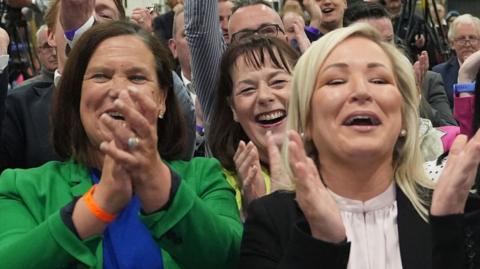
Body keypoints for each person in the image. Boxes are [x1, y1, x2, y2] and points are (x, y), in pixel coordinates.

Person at [0, 20, 242, 269]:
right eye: (101, 76)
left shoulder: (204, 178)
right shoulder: (21, 189)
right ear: (77, 97)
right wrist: (97, 207)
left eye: (137, 78)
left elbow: (235, 259)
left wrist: (157, 184)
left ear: (161, 100)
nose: (118, 91)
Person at [240, 23, 480, 268]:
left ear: (403, 118)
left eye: (378, 80)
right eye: (335, 81)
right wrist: (321, 245)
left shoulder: (453, 211)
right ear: (307, 118)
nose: (361, 91)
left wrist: (449, 231)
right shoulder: (271, 220)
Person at [209, 35, 299, 213]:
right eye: (248, 89)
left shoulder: (340, 163)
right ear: (233, 109)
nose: (265, 96)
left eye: (278, 82)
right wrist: (254, 209)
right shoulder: (218, 186)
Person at [433, 14, 480, 108]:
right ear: (452, 44)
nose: (467, 44)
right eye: (462, 39)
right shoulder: (439, 73)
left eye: (472, 38)